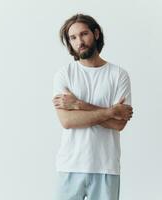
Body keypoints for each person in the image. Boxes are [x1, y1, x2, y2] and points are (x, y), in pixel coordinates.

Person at [52, 13, 133, 200]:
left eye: (84, 34)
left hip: (106, 167)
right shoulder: (64, 75)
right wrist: (111, 112)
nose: (79, 41)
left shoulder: (118, 75)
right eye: (73, 38)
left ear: (96, 34)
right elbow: (67, 121)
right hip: (70, 166)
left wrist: (79, 105)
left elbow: (119, 124)